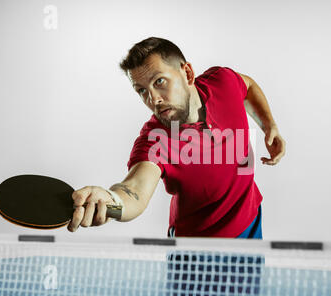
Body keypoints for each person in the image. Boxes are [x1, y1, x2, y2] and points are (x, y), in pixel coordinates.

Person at [68, 37, 286, 238]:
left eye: (159, 82)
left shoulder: (222, 82)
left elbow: (247, 86)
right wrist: (112, 201)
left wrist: (269, 125)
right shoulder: (155, 140)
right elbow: (134, 191)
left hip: (251, 222)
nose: (153, 99)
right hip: (198, 250)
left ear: (188, 73)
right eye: (141, 91)